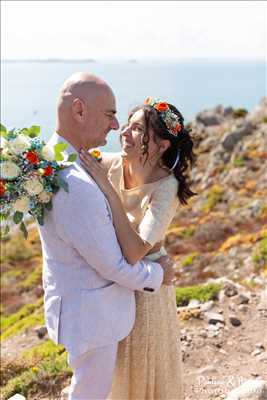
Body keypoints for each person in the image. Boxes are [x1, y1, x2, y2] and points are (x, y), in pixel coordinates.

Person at [37, 73, 176, 400]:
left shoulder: (58, 160)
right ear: (80, 110)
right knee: (91, 393)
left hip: (89, 307)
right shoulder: (79, 183)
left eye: (131, 124)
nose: (118, 128)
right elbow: (113, 265)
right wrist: (159, 273)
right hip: (94, 313)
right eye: (111, 115)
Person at [80, 97, 196, 399]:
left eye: (136, 129)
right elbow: (73, 159)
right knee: (111, 369)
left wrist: (107, 189)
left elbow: (133, 253)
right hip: (112, 283)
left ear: (161, 144)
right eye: (127, 126)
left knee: (141, 372)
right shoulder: (111, 162)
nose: (124, 133)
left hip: (147, 290)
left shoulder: (166, 187)